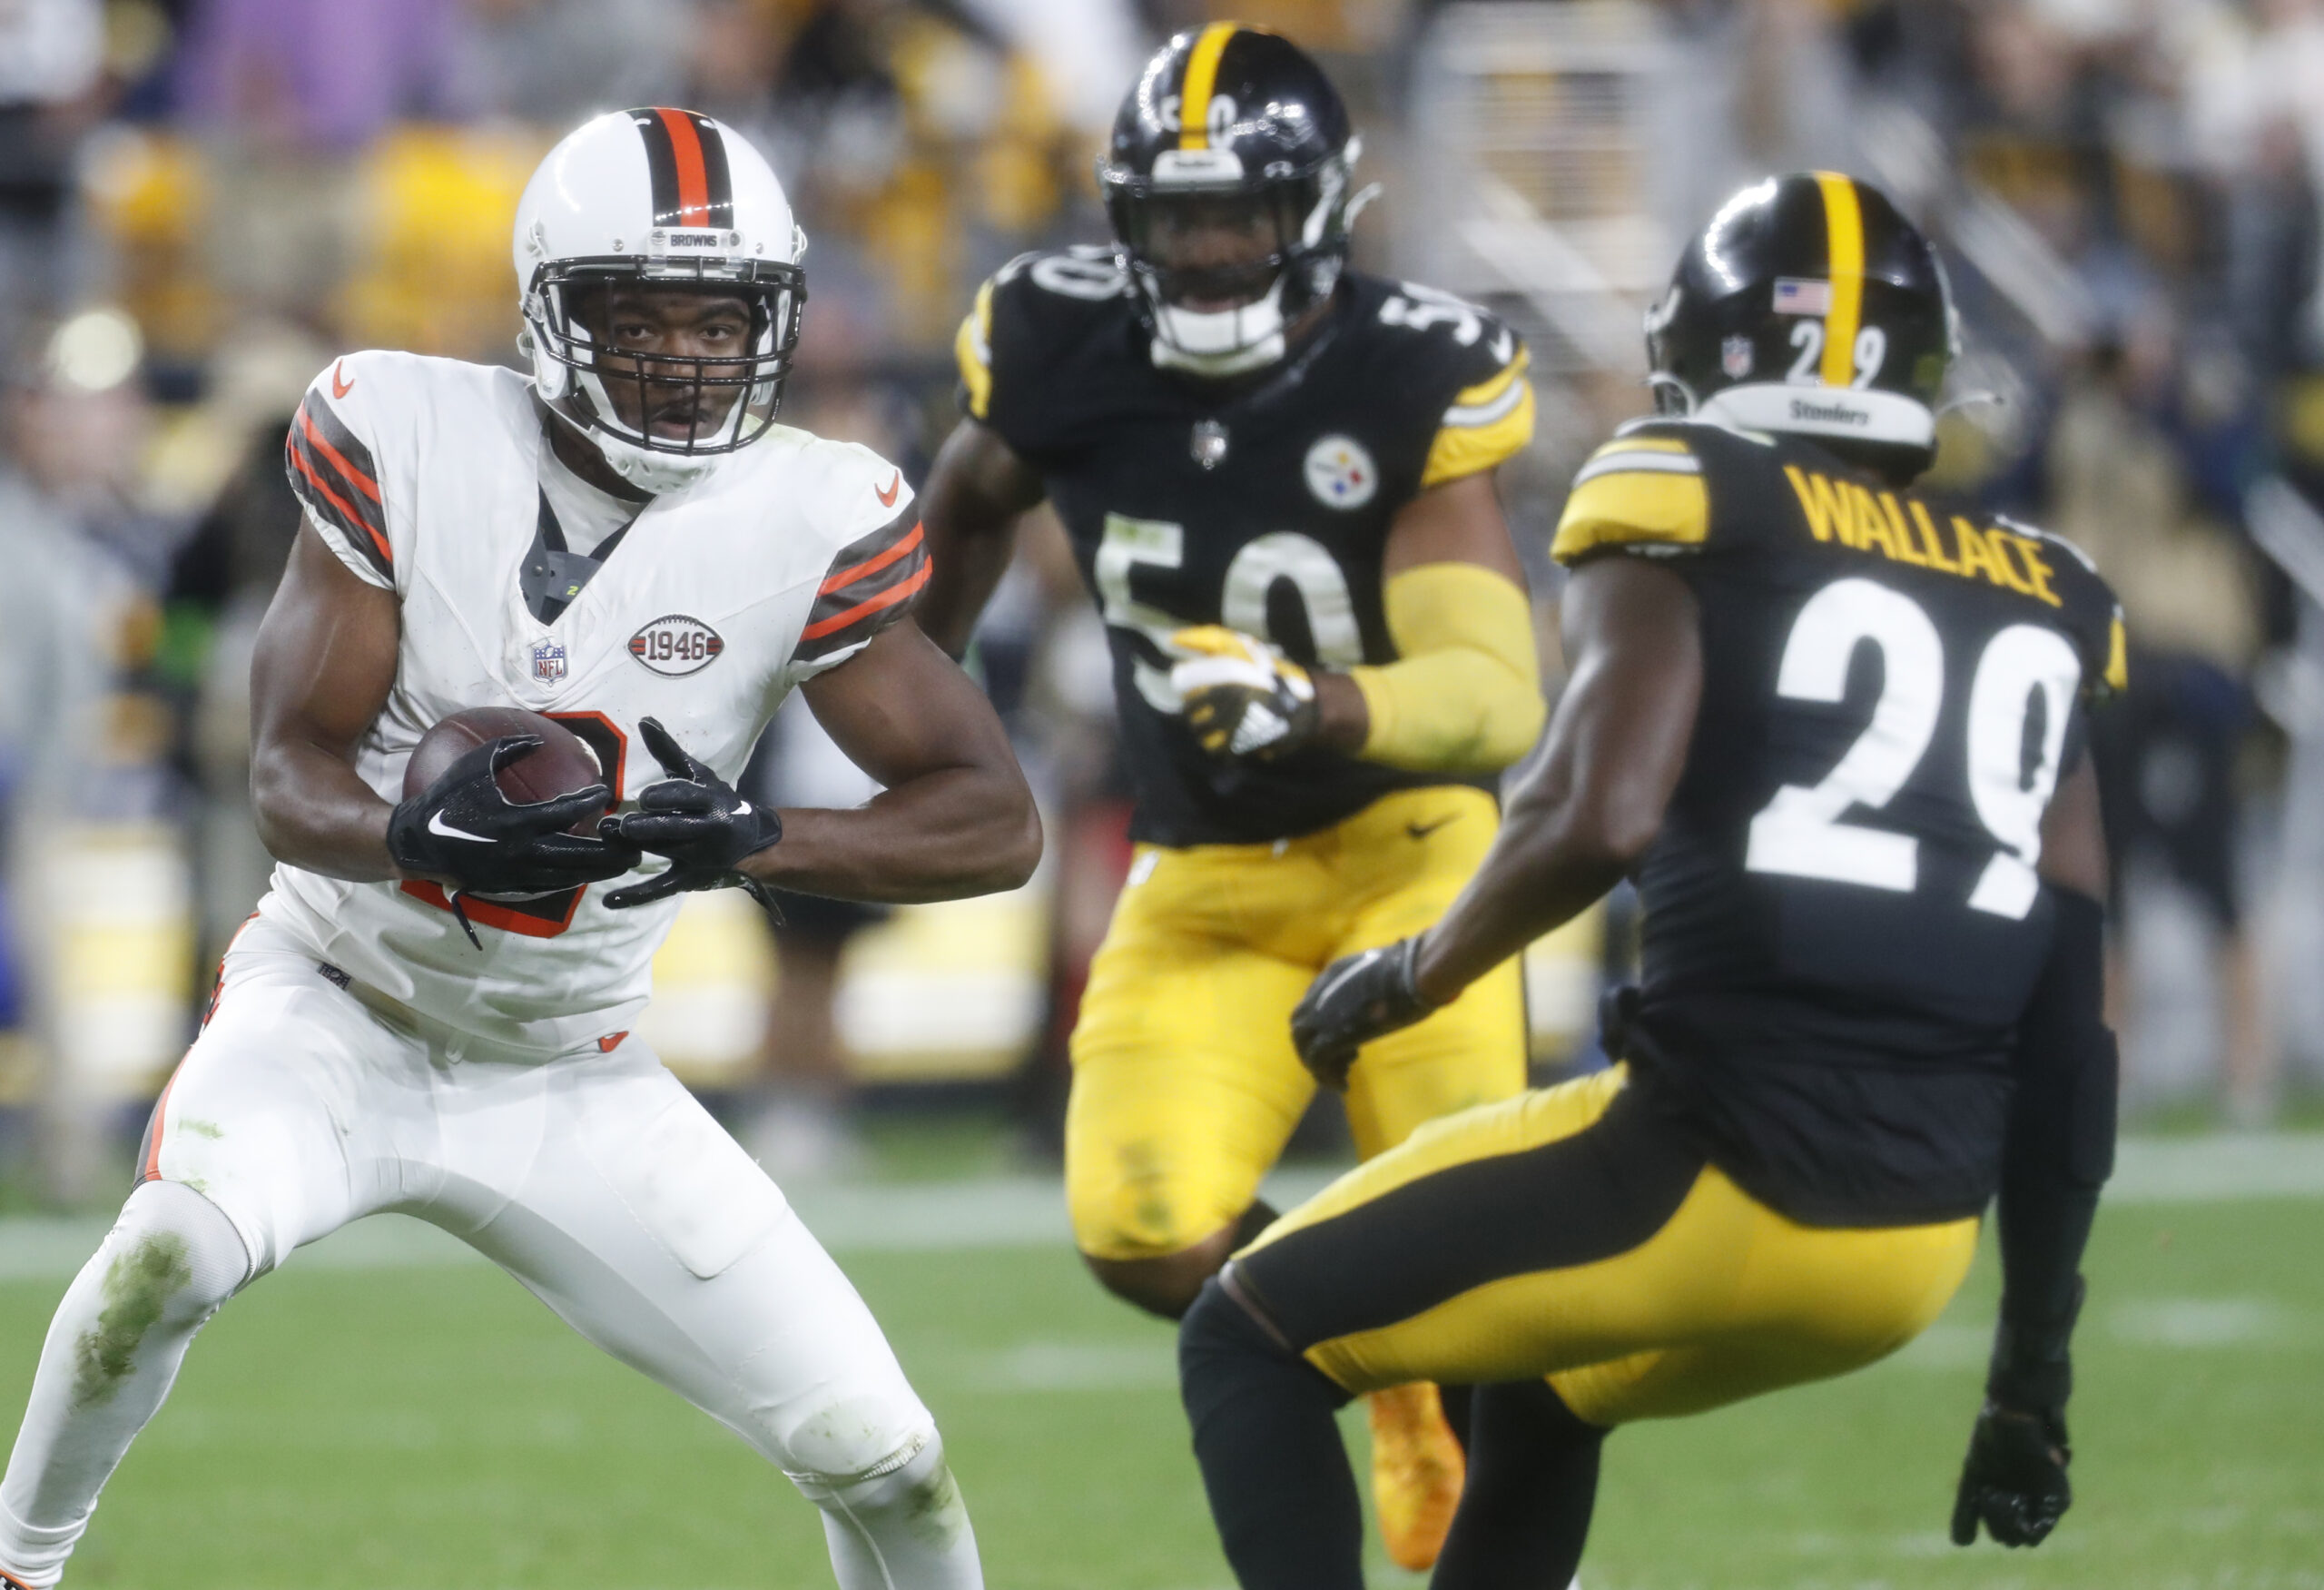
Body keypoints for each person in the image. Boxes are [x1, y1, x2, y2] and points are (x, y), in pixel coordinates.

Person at [0, 107, 1039, 1590]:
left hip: (576, 1071)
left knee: (892, 1463)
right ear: (552, 310)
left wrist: (764, 836)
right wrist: (414, 839)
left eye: (721, 317)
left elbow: (992, 816)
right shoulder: (403, 431)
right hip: (332, 1015)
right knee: (164, 1258)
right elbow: (289, 774)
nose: (687, 355)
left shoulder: (808, 508)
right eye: (643, 315)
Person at [1175, 172, 2127, 1589]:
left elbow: (1598, 811)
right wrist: (2030, 1385)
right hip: (1914, 1248)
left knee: (1246, 1335)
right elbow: (2073, 1037)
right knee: (1546, 1384)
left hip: (1713, 1171)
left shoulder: (1688, 484)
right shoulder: (2048, 589)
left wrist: (1405, 977)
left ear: (1711, 353)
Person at [915, 23, 1545, 1570]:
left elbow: (1496, 694)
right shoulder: (1059, 343)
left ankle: (1518, 1530)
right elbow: (964, 513)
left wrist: (1320, 702)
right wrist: (915, 690)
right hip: (1201, 871)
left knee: (1489, 1266)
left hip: (1413, 866)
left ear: (1318, 212)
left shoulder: (1409, 370)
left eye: (1237, 216)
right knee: (1140, 1233)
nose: (1204, 252)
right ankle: (1373, 1360)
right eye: (1173, 218)